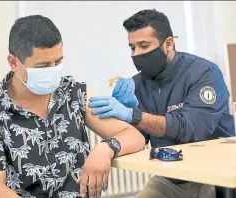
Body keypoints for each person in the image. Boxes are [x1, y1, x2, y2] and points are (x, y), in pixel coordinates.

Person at [0, 15, 146, 198]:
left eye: (58, 62)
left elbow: (134, 137)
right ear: (13, 63)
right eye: (43, 65)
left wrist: (105, 149)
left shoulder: (73, 94)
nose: (53, 71)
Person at [89, 9, 235, 198]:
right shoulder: (138, 84)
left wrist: (133, 114)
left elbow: (190, 127)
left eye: (143, 45)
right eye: (132, 48)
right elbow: (139, 138)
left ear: (168, 44)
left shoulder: (204, 73)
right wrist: (125, 122)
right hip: (171, 176)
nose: (137, 54)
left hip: (216, 174)